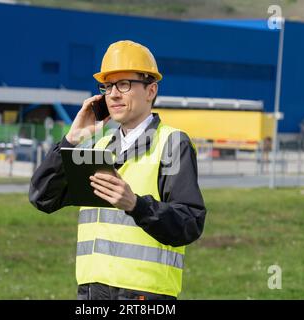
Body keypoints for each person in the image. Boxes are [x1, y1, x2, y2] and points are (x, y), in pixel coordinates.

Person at [29, 40, 207, 300]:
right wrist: (72, 139)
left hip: (145, 295)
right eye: (108, 86)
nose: (113, 94)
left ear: (150, 90)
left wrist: (136, 205)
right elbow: (42, 197)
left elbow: (190, 223)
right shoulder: (97, 147)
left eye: (124, 84)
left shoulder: (172, 143)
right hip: (93, 293)